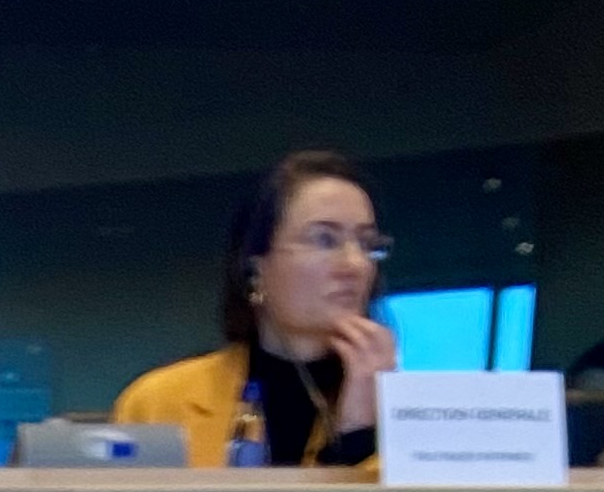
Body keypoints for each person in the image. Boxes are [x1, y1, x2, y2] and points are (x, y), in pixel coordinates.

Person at [115, 152, 398, 471]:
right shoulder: (159, 403)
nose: (356, 264)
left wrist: (360, 436)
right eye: (325, 240)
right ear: (255, 269)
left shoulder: (415, 412)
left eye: (367, 243)